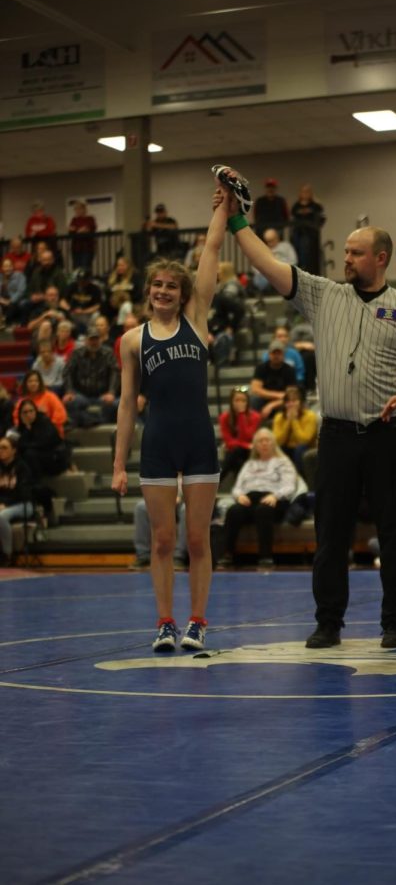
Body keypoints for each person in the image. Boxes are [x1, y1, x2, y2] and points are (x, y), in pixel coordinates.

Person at [215, 168, 396, 649]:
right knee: (331, 532)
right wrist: (235, 221)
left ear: (380, 257)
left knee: (394, 530)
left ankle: (395, 621)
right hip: (334, 437)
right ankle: (328, 621)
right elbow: (269, 264)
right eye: (346, 252)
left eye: (355, 253)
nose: (346, 258)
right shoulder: (323, 294)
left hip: (386, 433)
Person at [112, 183, 228, 653]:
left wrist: (220, 208)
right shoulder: (131, 340)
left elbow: (213, 251)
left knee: (197, 539)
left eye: (171, 286)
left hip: (198, 439)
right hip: (158, 441)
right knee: (163, 541)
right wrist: (119, 464)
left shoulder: (197, 319)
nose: (163, 291)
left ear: (183, 294)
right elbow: (125, 403)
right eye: (157, 285)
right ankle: (165, 622)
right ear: (148, 292)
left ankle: (197, 622)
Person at [217, 427, 300, 570]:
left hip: (275, 499)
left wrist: (275, 495)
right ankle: (227, 555)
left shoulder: (283, 462)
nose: (264, 444)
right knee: (234, 511)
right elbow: (237, 487)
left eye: (267, 440)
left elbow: (290, 485)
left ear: (273, 443)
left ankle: (266, 557)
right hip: (250, 499)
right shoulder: (249, 464)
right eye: (260, 441)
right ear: (255, 445)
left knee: (263, 511)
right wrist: (239, 495)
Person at [63, 325, 120, 428]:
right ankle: (92, 420)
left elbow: (115, 372)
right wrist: (69, 391)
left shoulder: (108, 353)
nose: (94, 342)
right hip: (81, 394)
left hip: (103, 395)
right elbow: (67, 372)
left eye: (96, 339)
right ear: (86, 340)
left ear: (100, 339)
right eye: (91, 339)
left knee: (113, 405)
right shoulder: (76, 353)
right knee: (71, 403)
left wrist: (111, 392)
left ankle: (89, 421)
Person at [0, 433, 34, 565]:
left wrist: (5, 504)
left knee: (1, 517)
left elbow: (23, 492)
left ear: (14, 450)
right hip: (3, 504)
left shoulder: (22, 468)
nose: (1, 451)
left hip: (22, 503)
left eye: (4, 448)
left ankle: (7, 554)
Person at [131, 495, 188, 572]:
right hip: (163, 499)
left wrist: (181, 499)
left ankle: (179, 557)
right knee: (141, 507)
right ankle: (143, 556)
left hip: (184, 502)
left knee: (186, 509)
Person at [15, 399, 70, 479]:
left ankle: (36, 484)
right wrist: (27, 429)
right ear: (20, 414)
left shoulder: (44, 422)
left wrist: (26, 444)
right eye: (25, 412)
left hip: (53, 459)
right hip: (36, 459)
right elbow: (19, 446)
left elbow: (44, 443)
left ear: (35, 411)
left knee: (29, 454)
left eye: (31, 411)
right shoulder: (21, 427)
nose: (28, 414)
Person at [218, 386, 261, 484]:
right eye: (237, 400)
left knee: (236, 454)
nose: (240, 403)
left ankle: (218, 482)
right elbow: (228, 442)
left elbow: (247, 436)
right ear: (231, 402)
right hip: (235, 451)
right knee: (237, 458)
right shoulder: (224, 417)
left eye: (243, 400)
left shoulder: (255, 417)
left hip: (250, 452)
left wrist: (241, 415)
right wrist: (244, 444)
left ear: (248, 402)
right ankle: (242, 490)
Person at [272, 385, 318, 474]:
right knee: (277, 448)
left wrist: (294, 420)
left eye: (294, 401)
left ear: (300, 402)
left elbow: (304, 440)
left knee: (300, 448)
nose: (291, 404)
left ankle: (299, 476)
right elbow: (278, 441)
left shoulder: (310, 416)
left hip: (305, 448)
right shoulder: (279, 417)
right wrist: (288, 421)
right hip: (286, 446)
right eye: (288, 401)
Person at [249, 338, 297, 419]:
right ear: (269, 354)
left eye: (279, 353)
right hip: (265, 399)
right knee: (254, 400)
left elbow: (291, 395)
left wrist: (271, 405)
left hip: (282, 401)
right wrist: (278, 395)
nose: (276, 356)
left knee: (291, 402)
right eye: (274, 353)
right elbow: (255, 389)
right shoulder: (261, 368)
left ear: (283, 355)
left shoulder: (290, 370)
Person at [13, 370, 68, 437]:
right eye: (30, 381)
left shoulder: (50, 397)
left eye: (36, 381)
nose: (33, 383)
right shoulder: (22, 401)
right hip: (29, 433)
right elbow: (16, 418)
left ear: (40, 383)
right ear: (26, 384)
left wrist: (47, 428)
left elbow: (61, 415)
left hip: (50, 433)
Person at [290, 184, 325, 275]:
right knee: (298, 251)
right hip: (298, 233)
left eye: (307, 192)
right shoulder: (296, 206)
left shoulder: (315, 205)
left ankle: (307, 269)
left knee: (309, 254)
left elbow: (321, 216)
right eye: (303, 192)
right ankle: (300, 267)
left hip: (311, 235)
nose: (305, 194)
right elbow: (293, 216)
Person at [251, 229, 297, 294]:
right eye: (268, 241)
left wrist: (280, 267)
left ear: (277, 238)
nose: (270, 243)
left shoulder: (286, 246)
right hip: (267, 273)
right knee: (258, 279)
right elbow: (255, 266)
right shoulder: (263, 249)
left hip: (283, 271)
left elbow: (293, 261)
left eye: (272, 240)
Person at [68, 201, 97, 271]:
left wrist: (76, 230)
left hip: (87, 248)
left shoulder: (90, 219)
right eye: (75, 209)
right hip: (76, 248)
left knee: (85, 268)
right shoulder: (74, 220)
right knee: (76, 268)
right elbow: (70, 230)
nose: (77, 211)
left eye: (79, 209)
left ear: (84, 209)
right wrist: (79, 230)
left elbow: (88, 228)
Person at [0, 258, 27, 327]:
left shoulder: (19, 276)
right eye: (5, 266)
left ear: (13, 267)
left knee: (16, 305)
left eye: (9, 266)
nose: (7, 268)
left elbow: (21, 291)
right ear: (2, 268)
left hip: (15, 301)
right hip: (2, 301)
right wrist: (2, 300)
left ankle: (5, 321)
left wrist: (10, 301)